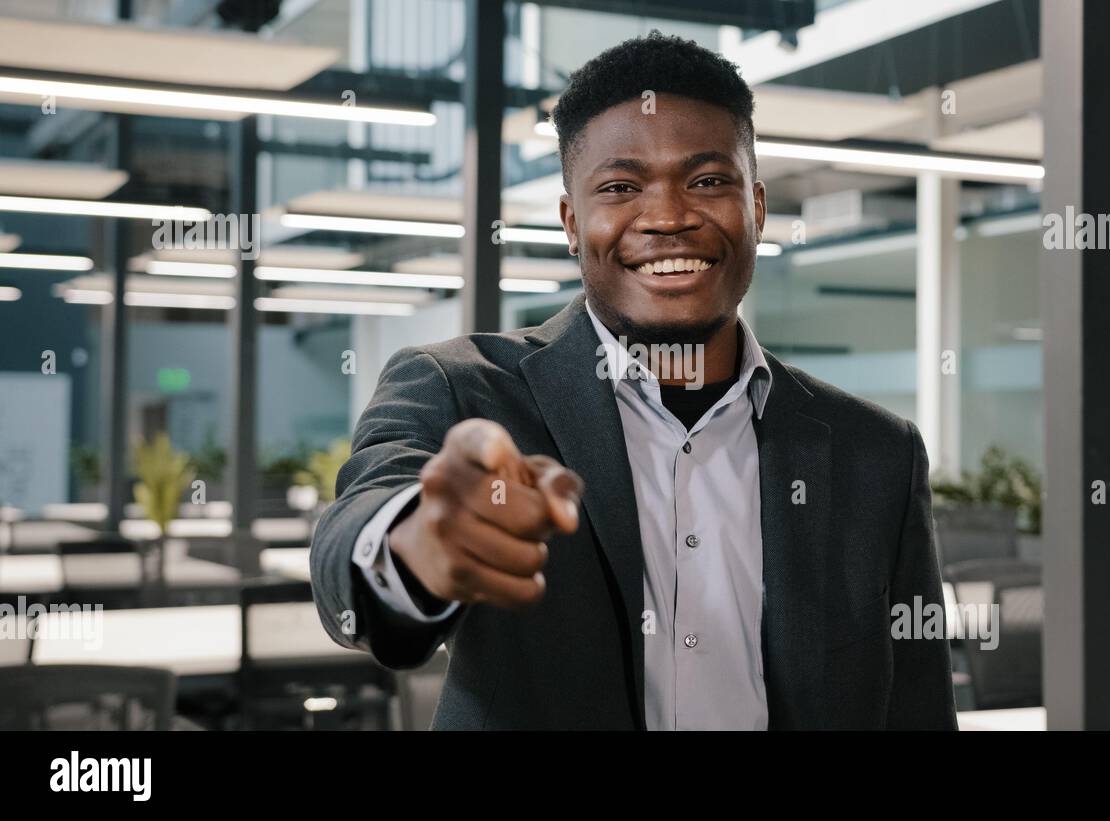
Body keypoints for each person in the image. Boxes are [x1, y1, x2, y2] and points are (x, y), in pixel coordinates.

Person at [311, 31, 957, 730]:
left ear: (759, 207)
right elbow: (351, 548)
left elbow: (916, 706)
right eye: (620, 187)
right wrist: (418, 546)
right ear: (570, 222)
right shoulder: (460, 389)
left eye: (708, 181)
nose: (670, 216)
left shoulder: (877, 454)